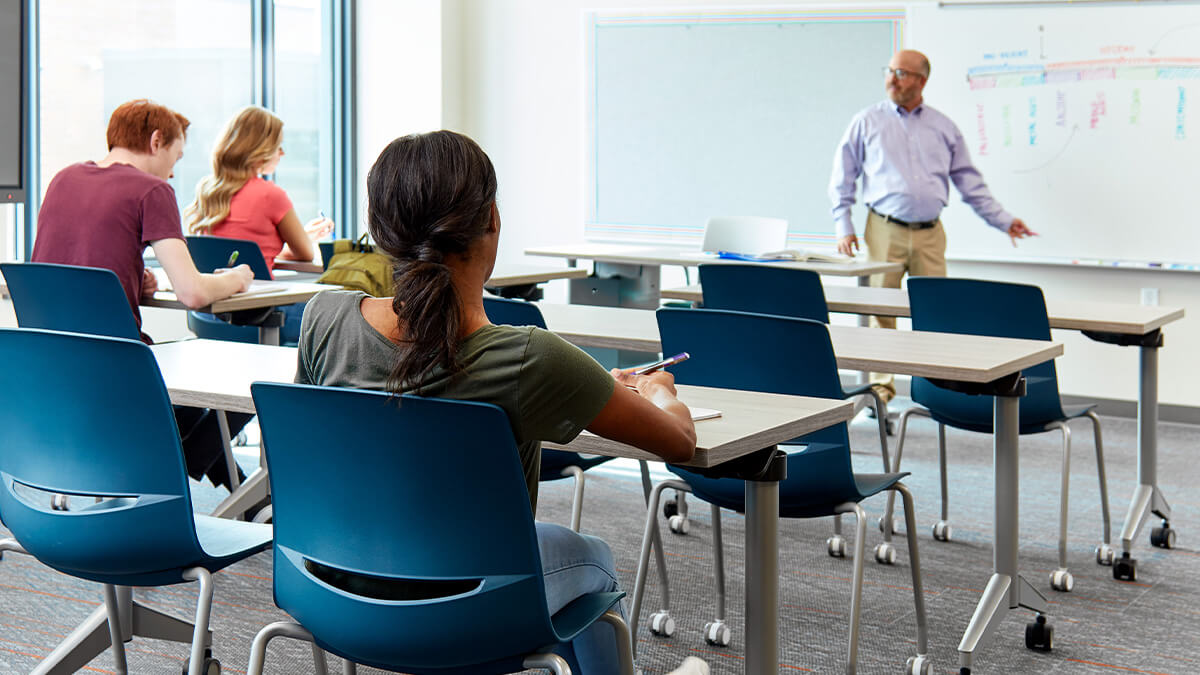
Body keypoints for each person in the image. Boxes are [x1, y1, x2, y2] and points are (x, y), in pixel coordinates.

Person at [295, 130, 707, 675]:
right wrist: (659, 391)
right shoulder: (532, 359)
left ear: (378, 228)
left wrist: (591, 384)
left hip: (333, 586)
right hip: (468, 606)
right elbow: (678, 441)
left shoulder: (323, 319)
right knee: (595, 559)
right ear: (491, 218)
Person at [31, 98, 255, 492]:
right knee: (242, 373)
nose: (172, 173)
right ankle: (196, 471)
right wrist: (236, 278)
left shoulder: (63, 179)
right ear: (156, 141)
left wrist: (136, 278)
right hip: (119, 368)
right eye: (175, 157)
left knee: (182, 411)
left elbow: (73, 265)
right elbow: (192, 292)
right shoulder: (151, 190)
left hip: (49, 365)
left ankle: (243, 498)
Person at [828, 49, 1037, 407]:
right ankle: (880, 395)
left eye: (902, 73)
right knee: (881, 311)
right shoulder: (867, 121)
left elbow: (970, 184)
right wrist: (843, 225)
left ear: (922, 80)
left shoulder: (943, 127)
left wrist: (1003, 221)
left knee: (935, 312)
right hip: (883, 229)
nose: (893, 78)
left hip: (929, 233)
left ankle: (937, 391)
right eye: (890, 70)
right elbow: (843, 177)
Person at [184, 105, 334, 344]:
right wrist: (302, 238)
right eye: (278, 146)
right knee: (340, 316)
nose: (282, 153)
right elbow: (305, 253)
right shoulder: (270, 195)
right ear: (260, 150)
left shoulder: (207, 191)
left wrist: (293, 238)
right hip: (257, 314)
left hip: (207, 314)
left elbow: (245, 251)